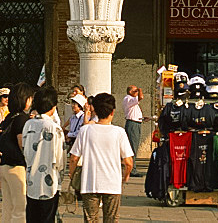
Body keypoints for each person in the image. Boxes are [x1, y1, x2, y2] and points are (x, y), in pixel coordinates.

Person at [69, 92, 134, 223]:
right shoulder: (119, 132)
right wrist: (125, 175)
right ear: (112, 112)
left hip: (89, 183)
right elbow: (128, 162)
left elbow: (74, 158)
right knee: (111, 219)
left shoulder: (85, 131)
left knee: (91, 219)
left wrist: (72, 174)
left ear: (95, 111)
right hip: (112, 184)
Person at [23, 85, 64, 223]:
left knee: (32, 217)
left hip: (31, 178)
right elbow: (60, 158)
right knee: (47, 217)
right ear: (53, 107)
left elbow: (25, 149)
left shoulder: (28, 124)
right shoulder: (55, 128)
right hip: (49, 181)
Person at [0, 82, 33, 223]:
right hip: (17, 167)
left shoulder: (10, 117)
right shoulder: (21, 119)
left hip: (4, 165)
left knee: (8, 207)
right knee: (20, 209)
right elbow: (22, 144)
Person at [122, 85, 144, 177]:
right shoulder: (128, 99)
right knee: (132, 146)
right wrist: (140, 89)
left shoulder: (132, 101)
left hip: (136, 123)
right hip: (132, 124)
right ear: (130, 92)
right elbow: (141, 97)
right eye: (135, 91)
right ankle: (132, 169)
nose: (137, 92)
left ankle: (132, 167)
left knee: (134, 146)